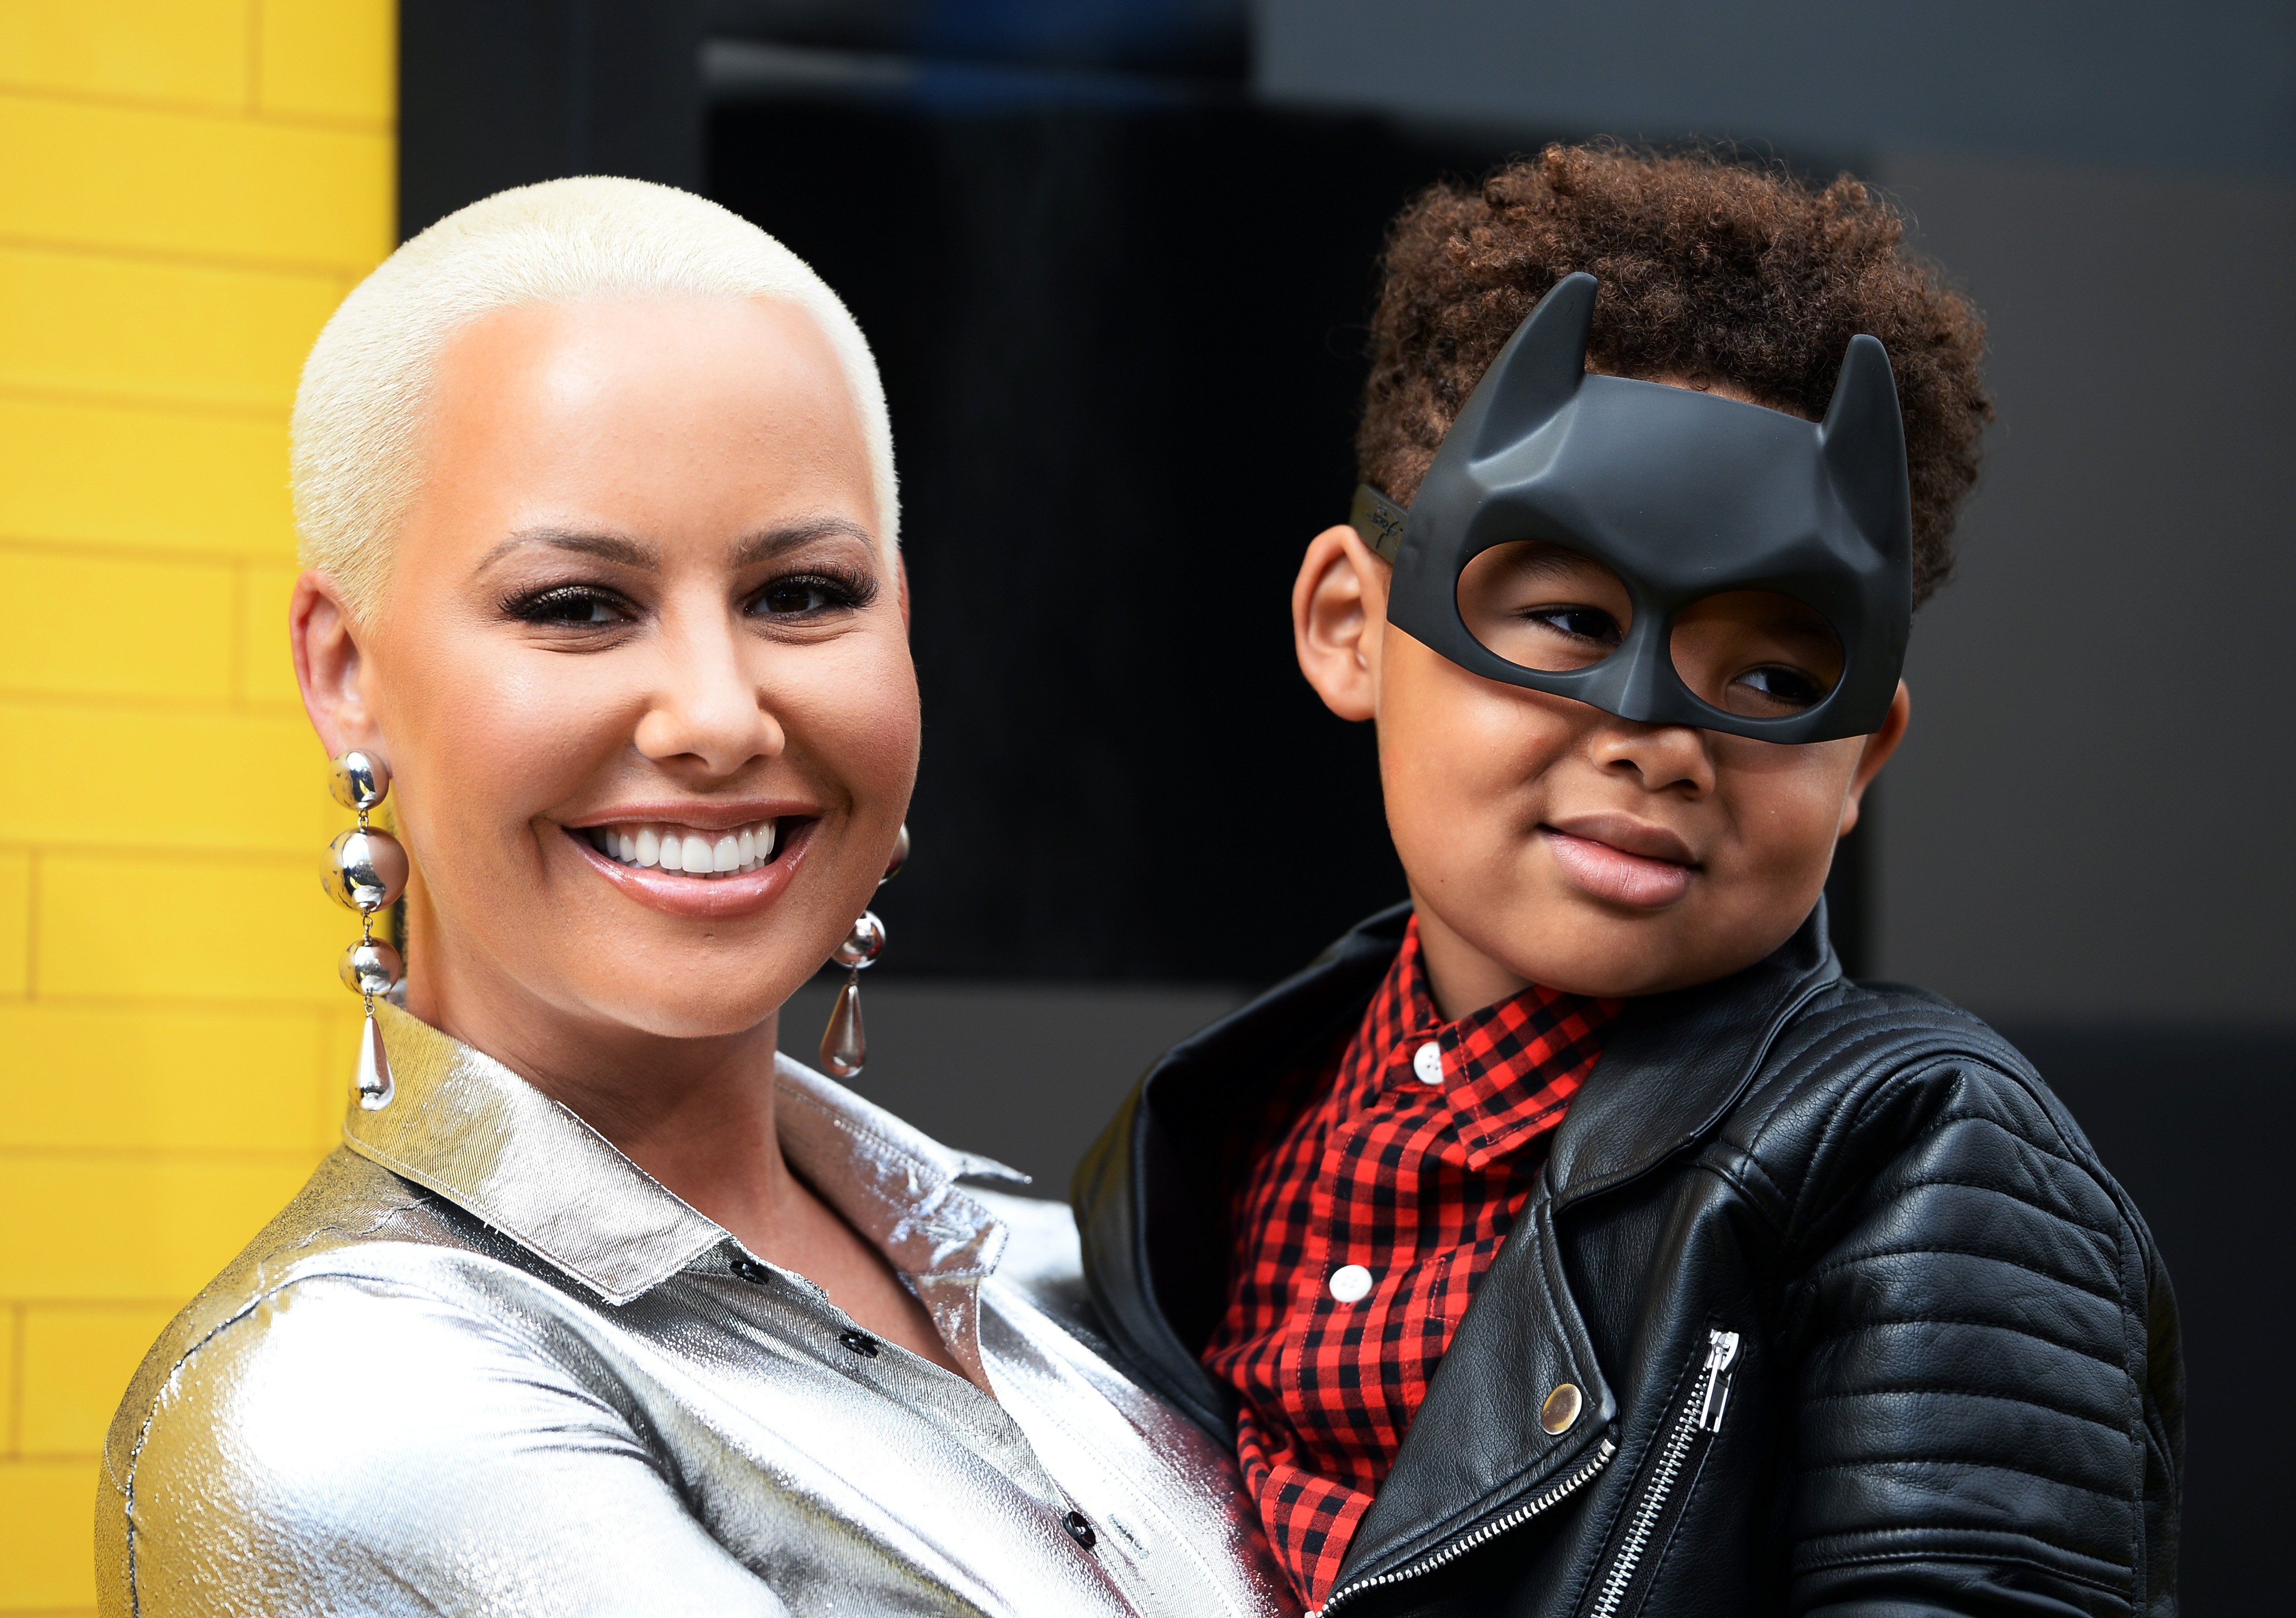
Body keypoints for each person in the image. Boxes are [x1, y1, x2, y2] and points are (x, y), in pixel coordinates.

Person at [99, 178, 1293, 1618]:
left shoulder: (1063, 1272)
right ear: (347, 673)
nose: (718, 718)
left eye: (799, 595)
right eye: (576, 606)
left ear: (901, 623)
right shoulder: (341, 1408)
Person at [1073, 148, 2182, 1617]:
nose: (1659, 740)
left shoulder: (1924, 1159)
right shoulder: (1223, 1131)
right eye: (1569, 617)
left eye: (1778, 671)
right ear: (1353, 624)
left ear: (1863, 760)